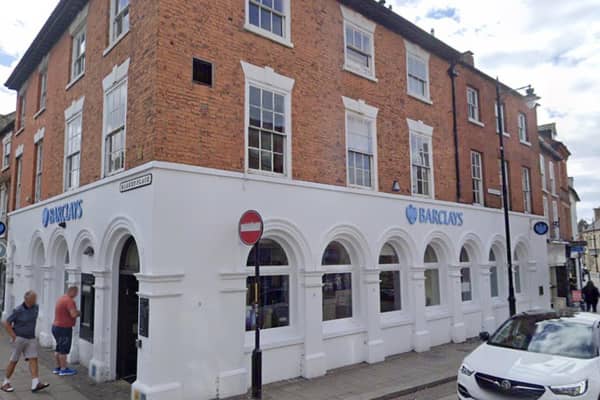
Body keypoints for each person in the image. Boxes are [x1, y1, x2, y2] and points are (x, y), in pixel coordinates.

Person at [2, 290, 50, 393]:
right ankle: (5, 382)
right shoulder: (18, 310)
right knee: (14, 360)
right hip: (19, 338)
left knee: (33, 359)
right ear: (28, 300)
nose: (36, 300)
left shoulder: (36, 308)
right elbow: (6, 323)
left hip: (31, 338)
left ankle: (35, 383)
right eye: (34, 298)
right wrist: (13, 336)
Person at [52, 286, 81, 376]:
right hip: (64, 328)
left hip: (56, 327)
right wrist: (79, 312)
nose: (77, 294)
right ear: (72, 291)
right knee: (63, 349)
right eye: (76, 292)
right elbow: (73, 314)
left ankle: (58, 367)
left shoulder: (61, 298)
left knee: (59, 348)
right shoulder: (69, 301)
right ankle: (64, 369)